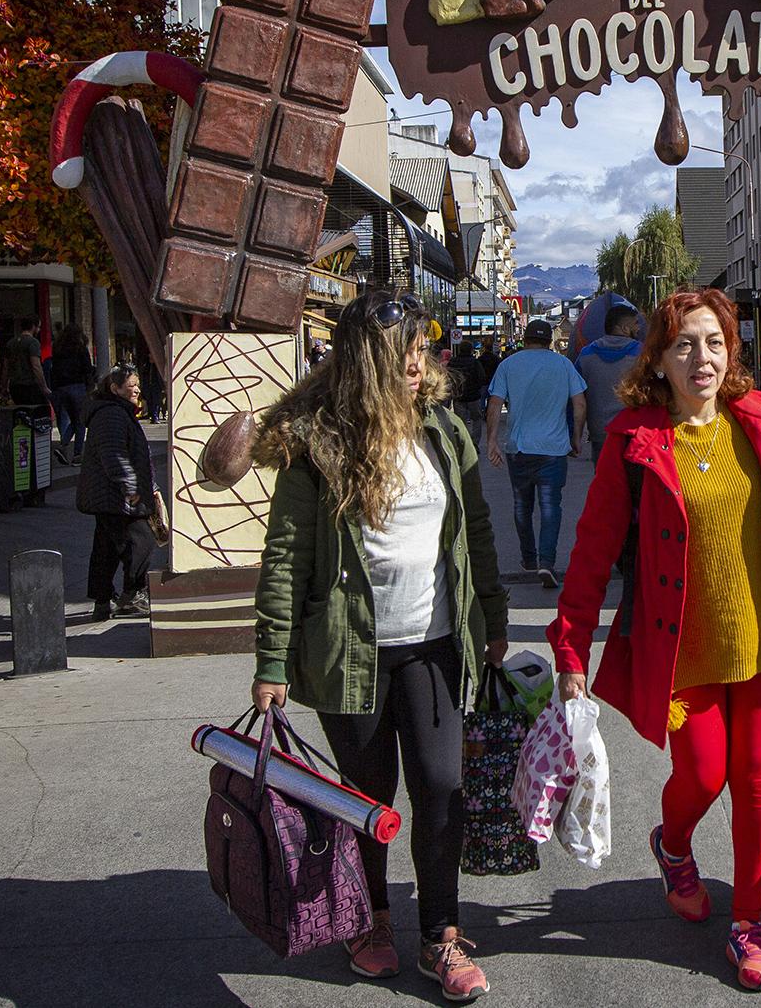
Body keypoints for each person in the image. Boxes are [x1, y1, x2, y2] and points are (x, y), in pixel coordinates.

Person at [547, 288, 761, 993]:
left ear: (731, 352)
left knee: (755, 777)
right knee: (704, 774)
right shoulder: (636, 440)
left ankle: (749, 924)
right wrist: (571, 648)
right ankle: (673, 842)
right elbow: (593, 550)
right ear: (658, 357)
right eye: (685, 343)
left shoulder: (760, 426)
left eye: (714, 342)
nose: (701, 357)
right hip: (679, 646)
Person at [250, 291, 508, 1002]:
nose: (418, 367)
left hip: (434, 645)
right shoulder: (317, 445)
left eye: (422, 353)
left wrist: (493, 619)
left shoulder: (444, 433)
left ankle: (441, 936)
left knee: (442, 787)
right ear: (370, 364)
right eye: (405, 356)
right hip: (349, 651)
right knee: (367, 799)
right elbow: (285, 555)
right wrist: (271, 658)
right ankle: (369, 920)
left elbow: (474, 531)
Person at [485, 317, 586, 586]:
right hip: (553, 449)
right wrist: (576, 438)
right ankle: (546, 562)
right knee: (551, 505)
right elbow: (580, 405)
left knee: (522, 505)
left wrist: (491, 440)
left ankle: (528, 558)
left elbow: (494, 404)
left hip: (518, 447)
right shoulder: (563, 365)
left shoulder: (508, 364)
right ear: (548, 341)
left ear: (526, 339)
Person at [76, 365, 156, 622]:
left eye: (138, 384)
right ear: (115, 389)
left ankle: (102, 600)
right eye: (132, 385)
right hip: (116, 496)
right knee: (141, 540)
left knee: (107, 547)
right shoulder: (111, 414)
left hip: (109, 495)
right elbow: (115, 455)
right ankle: (132, 595)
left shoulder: (116, 412)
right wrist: (131, 488)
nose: (137, 390)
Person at [575, 304, 643, 462]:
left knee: (604, 483)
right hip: (633, 433)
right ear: (625, 328)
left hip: (600, 434)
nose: (639, 328)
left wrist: (575, 435)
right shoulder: (642, 354)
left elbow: (577, 399)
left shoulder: (586, 355)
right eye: (636, 324)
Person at [50, 323, 96, 465]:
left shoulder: (57, 349)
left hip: (61, 389)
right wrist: (90, 387)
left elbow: (54, 370)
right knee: (81, 421)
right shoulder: (80, 348)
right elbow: (87, 369)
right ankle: (77, 455)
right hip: (77, 387)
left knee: (75, 420)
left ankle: (63, 445)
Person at [4, 316, 51, 412]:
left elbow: (5, 367)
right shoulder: (33, 342)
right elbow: (36, 366)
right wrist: (44, 387)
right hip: (29, 385)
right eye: (39, 327)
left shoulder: (10, 343)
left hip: (14, 386)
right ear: (33, 327)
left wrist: (4, 386)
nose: (39, 329)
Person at [448, 341, 490, 447]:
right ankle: (475, 443)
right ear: (471, 350)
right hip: (473, 397)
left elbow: (448, 378)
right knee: (476, 419)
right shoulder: (475, 362)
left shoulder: (453, 362)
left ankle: (463, 443)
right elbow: (482, 378)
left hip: (459, 397)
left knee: (460, 421)